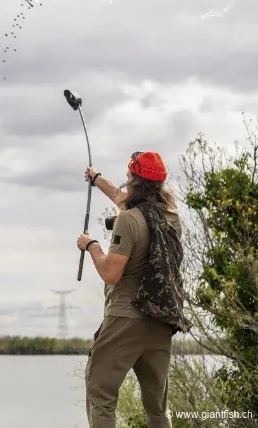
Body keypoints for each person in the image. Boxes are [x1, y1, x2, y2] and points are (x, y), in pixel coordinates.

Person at [75, 151, 185, 428]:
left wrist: (92, 246)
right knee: (158, 407)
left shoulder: (128, 220)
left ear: (134, 180)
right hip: (161, 321)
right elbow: (128, 204)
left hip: (126, 318)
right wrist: (98, 180)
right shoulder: (171, 219)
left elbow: (111, 273)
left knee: (100, 394)